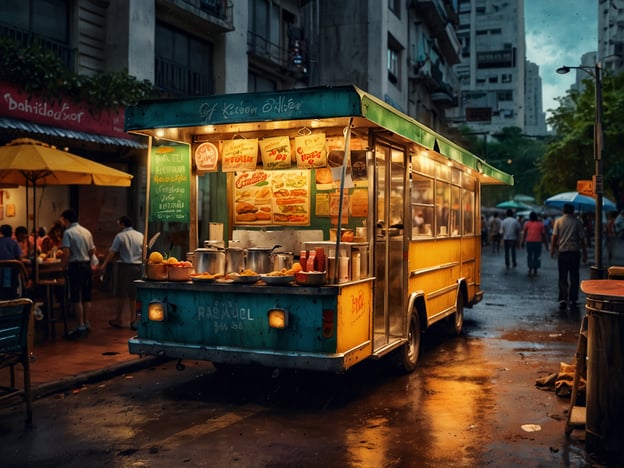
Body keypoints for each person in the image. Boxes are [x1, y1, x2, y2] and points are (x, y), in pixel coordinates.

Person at [98, 215, 144, 329]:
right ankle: (134, 321)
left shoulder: (120, 236)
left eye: (119, 223)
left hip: (124, 267)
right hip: (138, 267)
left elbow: (112, 252)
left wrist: (104, 264)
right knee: (134, 295)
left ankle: (119, 319)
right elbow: (144, 252)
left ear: (123, 224)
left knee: (121, 294)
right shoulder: (140, 235)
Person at [60, 209, 96, 339]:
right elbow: (92, 250)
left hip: (75, 266)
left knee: (75, 296)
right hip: (86, 265)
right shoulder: (86, 232)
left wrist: (62, 267)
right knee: (87, 295)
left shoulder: (68, 233)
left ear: (66, 219)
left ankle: (79, 324)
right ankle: (86, 323)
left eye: (62, 220)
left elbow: (66, 253)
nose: (62, 223)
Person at [550, 203, 587, 311]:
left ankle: (563, 298)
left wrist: (552, 249)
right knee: (574, 276)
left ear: (563, 210)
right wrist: (584, 254)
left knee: (563, 276)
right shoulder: (578, 222)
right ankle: (573, 298)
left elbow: (554, 236)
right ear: (573, 211)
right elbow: (582, 239)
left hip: (563, 253)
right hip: (575, 253)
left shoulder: (559, 221)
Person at [520, 212, 549, 276]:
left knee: (529, 255)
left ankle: (530, 268)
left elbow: (524, 234)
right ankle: (535, 269)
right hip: (538, 242)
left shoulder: (527, 224)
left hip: (529, 242)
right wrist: (546, 245)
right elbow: (544, 235)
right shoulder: (541, 224)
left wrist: (522, 242)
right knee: (537, 256)